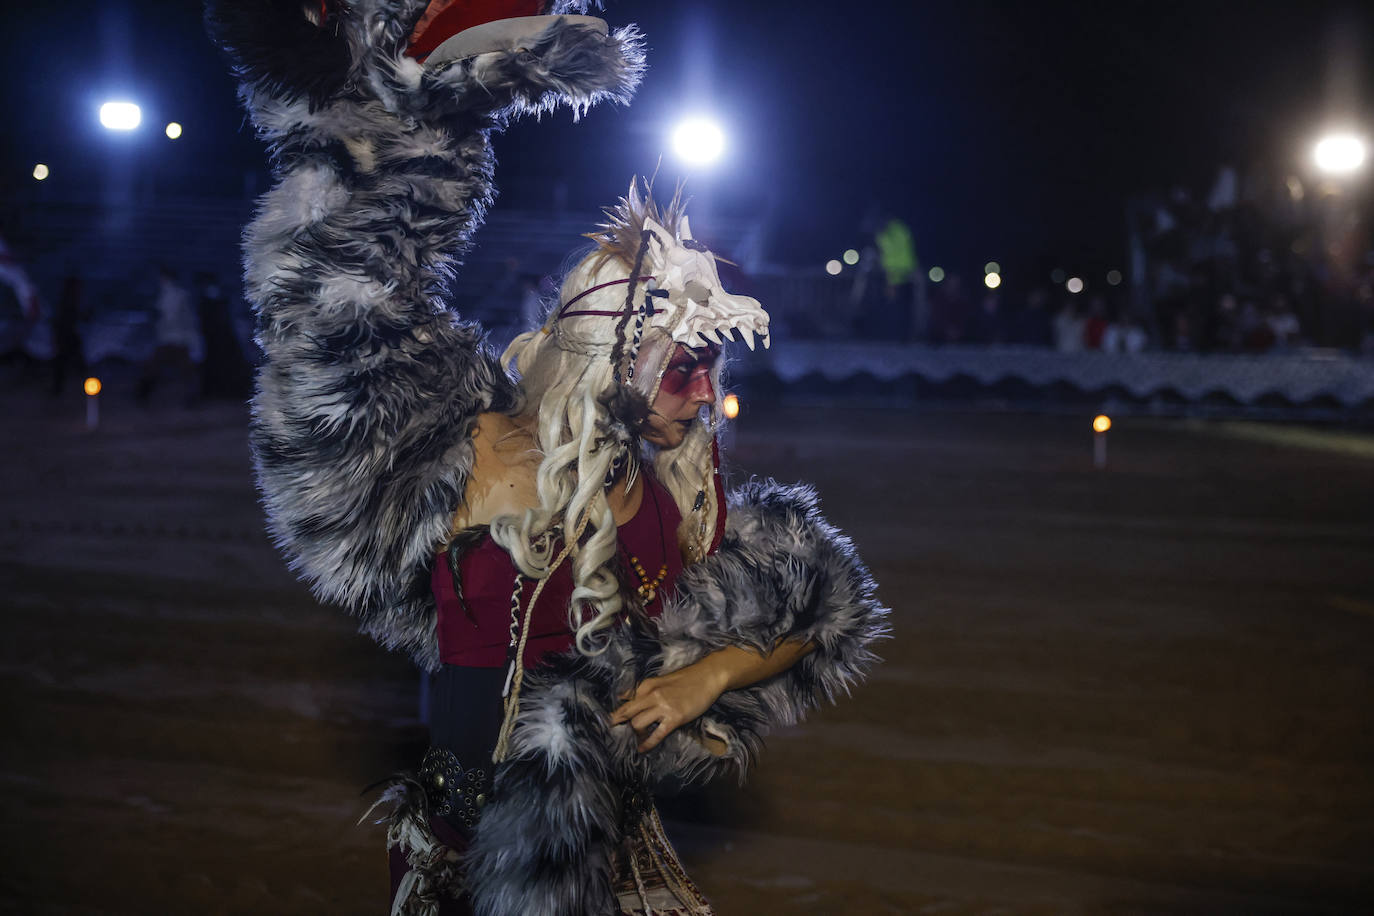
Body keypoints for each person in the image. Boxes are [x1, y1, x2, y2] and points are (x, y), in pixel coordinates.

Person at [208, 4, 888, 915]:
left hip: (605, 856)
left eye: (715, 365)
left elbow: (819, 609)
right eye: (684, 363)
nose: (704, 391)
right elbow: (343, 318)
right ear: (609, 355)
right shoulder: (478, 448)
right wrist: (415, 135)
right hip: (463, 863)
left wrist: (709, 675)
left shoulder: (679, 497)